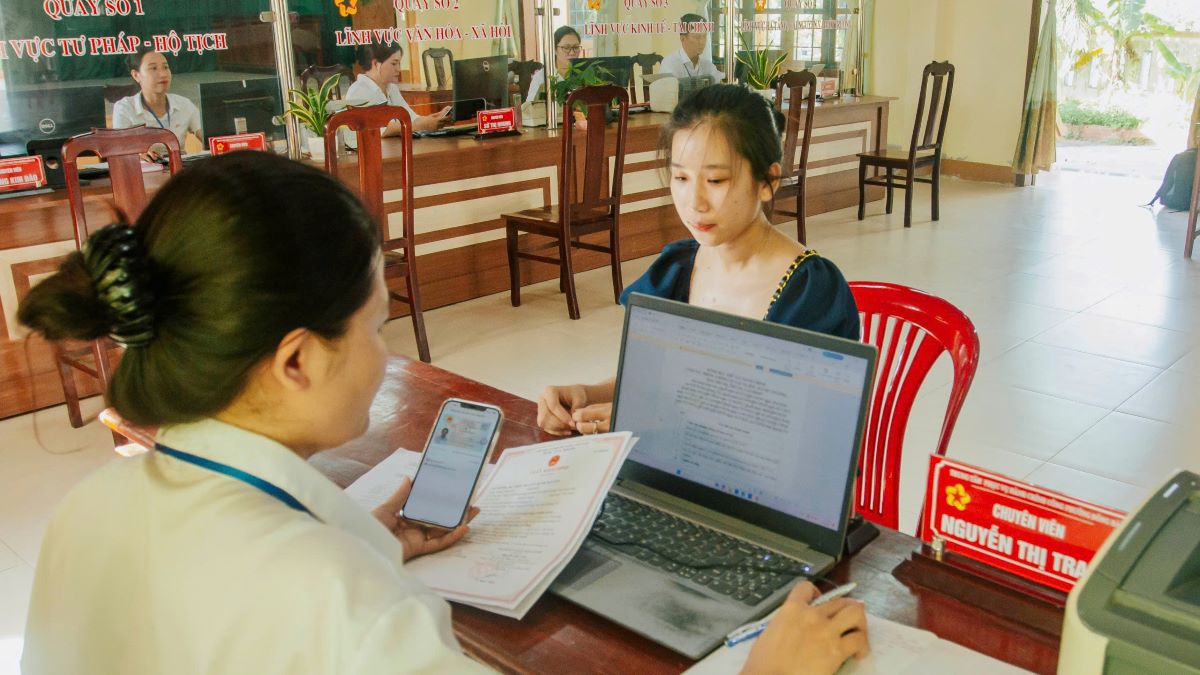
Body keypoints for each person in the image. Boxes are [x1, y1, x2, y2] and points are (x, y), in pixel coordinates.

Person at [18, 151, 867, 675]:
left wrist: (372, 535)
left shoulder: (88, 512)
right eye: (376, 326)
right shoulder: (339, 599)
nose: (388, 356)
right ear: (296, 359)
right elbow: (312, 611)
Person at [538, 84, 860, 437]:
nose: (694, 202)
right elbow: (651, 376)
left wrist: (651, 416)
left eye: (716, 180)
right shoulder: (677, 269)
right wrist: (587, 395)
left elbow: (794, 429)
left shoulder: (811, 289)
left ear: (768, 181)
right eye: (681, 178)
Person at [111, 48, 203, 160]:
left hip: (180, 169)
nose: (163, 74)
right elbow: (120, 149)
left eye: (165, 67)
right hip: (144, 171)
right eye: (153, 68)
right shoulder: (125, 108)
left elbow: (208, 137)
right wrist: (137, 154)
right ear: (136, 75)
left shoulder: (184, 104)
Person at [345, 44, 451, 135]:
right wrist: (424, 125)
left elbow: (411, 118)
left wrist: (436, 117)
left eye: (399, 63)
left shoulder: (392, 88)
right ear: (376, 64)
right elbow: (381, 129)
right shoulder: (359, 91)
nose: (399, 69)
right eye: (394, 63)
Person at [660, 13, 723, 81]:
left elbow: (722, 82)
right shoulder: (670, 63)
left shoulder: (706, 64)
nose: (702, 42)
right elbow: (671, 90)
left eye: (704, 36)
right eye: (697, 37)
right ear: (682, 38)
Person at [527, 25, 582, 102]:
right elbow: (530, 109)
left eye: (576, 47)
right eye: (566, 48)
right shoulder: (542, 78)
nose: (572, 52)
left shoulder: (584, 75)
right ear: (554, 49)